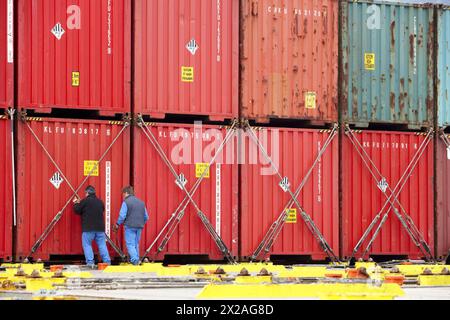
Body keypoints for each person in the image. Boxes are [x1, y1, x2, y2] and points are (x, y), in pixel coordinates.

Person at [73, 185, 111, 268]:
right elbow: (103, 210)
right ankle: (107, 262)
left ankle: (90, 263)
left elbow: (77, 210)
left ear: (87, 193)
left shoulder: (85, 201)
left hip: (88, 228)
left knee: (87, 245)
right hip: (100, 229)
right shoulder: (100, 202)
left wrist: (76, 203)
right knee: (102, 245)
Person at [113, 186, 149, 265]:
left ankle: (135, 260)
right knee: (136, 243)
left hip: (129, 226)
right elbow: (146, 217)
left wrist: (117, 224)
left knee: (130, 244)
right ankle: (136, 260)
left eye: (123, 194)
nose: (123, 196)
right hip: (139, 226)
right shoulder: (141, 203)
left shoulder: (126, 202)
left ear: (126, 193)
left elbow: (122, 216)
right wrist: (141, 223)